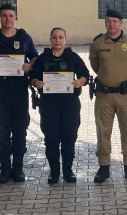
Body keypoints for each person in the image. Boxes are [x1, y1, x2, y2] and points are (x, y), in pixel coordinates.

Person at [0, 4, 38, 184]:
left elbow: (35, 56)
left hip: (20, 91)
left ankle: (18, 168)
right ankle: (4, 168)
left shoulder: (24, 37)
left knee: (20, 129)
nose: (7, 19)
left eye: (11, 16)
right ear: (0, 18)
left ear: (16, 17)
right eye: (4, 16)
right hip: (0, 91)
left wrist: (30, 65)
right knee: (1, 130)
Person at [89, 8, 127, 184]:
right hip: (104, 95)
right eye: (108, 21)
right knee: (103, 132)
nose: (111, 24)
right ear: (105, 23)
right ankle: (104, 167)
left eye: (115, 21)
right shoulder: (98, 43)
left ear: (121, 23)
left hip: (125, 95)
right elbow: (95, 64)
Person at [29, 28, 90, 184]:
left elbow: (85, 75)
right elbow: (33, 77)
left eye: (60, 37)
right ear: (50, 39)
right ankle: (54, 171)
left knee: (69, 138)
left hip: (70, 104)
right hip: (49, 105)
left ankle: (68, 171)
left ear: (65, 39)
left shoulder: (73, 57)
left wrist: (80, 81)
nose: (57, 40)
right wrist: (37, 83)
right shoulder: (43, 58)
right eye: (54, 37)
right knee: (52, 139)